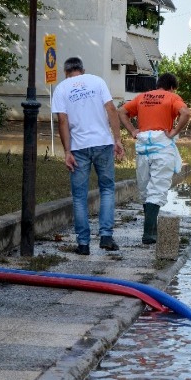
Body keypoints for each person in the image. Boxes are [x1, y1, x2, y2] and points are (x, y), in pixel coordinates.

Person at [53, 57, 125, 255]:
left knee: (79, 197)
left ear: (65, 72)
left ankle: (83, 244)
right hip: (102, 143)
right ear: (82, 70)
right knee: (107, 189)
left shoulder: (61, 88)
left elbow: (62, 120)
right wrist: (117, 139)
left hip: (78, 147)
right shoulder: (97, 81)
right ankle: (106, 237)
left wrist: (67, 151)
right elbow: (111, 109)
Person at [117, 73, 191, 244]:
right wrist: (173, 132)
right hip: (162, 149)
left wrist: (132, 131)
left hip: (143, 149)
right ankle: (149, 234)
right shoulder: (172, 97)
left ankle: (152, 229)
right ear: (172, 87)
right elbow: (185, 113)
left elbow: (121, 111)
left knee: (145, 189)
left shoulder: (142, 97)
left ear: (158, 84)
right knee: (157, 189)